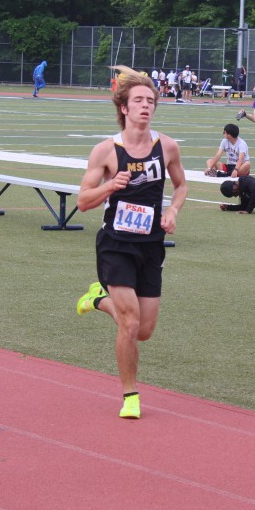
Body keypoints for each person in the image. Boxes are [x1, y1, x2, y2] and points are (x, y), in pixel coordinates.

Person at [74, 66, 187, 419]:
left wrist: (173, 210)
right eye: (138, 100)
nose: (145, 106)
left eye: (150, 101)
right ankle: (130, 395)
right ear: (124, 107)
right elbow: (83, 201)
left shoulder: (167, 147)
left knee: (145, 331)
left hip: (151, 245)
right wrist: (111, 186)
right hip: (116, 244)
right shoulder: (106, 151)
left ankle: (97, 299)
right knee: (130, 322)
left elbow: (181, 185)